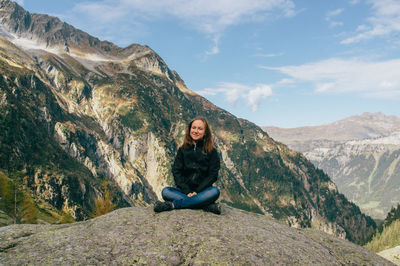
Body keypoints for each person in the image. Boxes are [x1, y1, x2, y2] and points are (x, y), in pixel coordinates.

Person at [154, 117, 221, 214]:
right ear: (189, 130)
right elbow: (176, 171)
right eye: (194, 128)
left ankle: (172, 205)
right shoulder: (183, 150)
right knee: (166, 191)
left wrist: (197, 192)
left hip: (203, 191)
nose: (196, 131)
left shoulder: (212, 152)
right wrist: (187, 191)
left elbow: (213, 175)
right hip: (184, 191)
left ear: (205, 132)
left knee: (215, 191)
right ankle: (204, 205)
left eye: (200, 129)